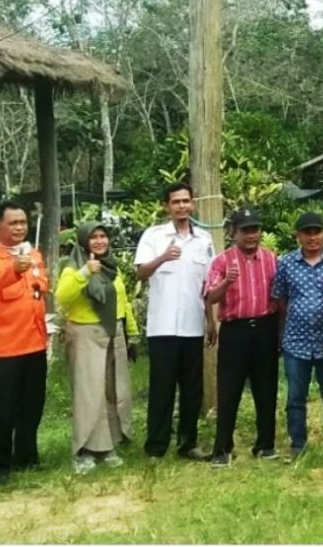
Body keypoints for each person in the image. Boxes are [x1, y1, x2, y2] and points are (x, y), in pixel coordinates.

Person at [133, 181, 214, 460]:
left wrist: (211, 321)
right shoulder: (154, 236)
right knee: (162, 389)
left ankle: (188, 443)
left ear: (192, 204)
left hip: (193, 326)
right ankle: (156, 446)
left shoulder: (204, 240)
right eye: (176, 202)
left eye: (185, 201)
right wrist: (163, 257)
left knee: (192, 389)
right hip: (163, 327)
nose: (181, 206)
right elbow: (140, 273)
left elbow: (207, 285)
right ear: (166, 206)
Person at [56, 221, 139, 473]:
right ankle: (85, 449)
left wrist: (132, 331)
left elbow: (122, 301)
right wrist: (84, 273)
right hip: (86, 333)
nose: (100, 241)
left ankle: (109, 444)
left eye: (103, 236)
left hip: (114, 332)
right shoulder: (72, 267)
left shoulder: (111, 267)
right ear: (84, 241)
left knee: (113, 389)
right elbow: (61, 297)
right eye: (94, 237)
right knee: (89, 393)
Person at [204, 207, 280, 466]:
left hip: (265, 328)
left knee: (266, 389)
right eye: (245, 230)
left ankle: (266, 445)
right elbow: (210, 297)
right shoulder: (222, 261)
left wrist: (280, 331)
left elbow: (279, 297)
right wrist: (227, 281)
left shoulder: (271, 259)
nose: (251, 235)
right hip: (235, 331)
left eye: (255, 229)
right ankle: (222, 449)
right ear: (233, 233)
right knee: (229, 390)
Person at [0, 202, 49, 485]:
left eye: (23, 222)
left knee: (31, 406)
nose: (20, 227)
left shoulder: (33, 255)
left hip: (34, 344)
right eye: (13, 223)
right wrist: (12, 269)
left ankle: (26, 456)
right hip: (0, 350)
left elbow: (41, 287)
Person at [272, 211, 323, 461]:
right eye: (307, 233)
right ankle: (298, 445)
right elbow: (280, 299)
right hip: (296, 342)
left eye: (317, 232)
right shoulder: (286, 263)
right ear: (298, 235)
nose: (312, 238)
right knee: (295, 397)